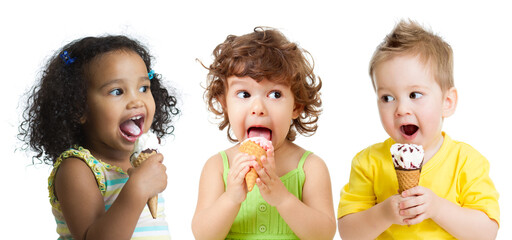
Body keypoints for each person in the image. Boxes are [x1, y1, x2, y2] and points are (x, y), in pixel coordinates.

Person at [337, 20, 500, 239]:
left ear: (447, 102)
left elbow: (486, 233)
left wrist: (437, 208)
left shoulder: (467, 162)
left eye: (414, 95)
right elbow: (349, 233)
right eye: (387, 97)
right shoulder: (368, 162)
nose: (401, 109)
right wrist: (384, 214)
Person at [19, 35, 179, 239]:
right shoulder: (77, 168)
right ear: (79, 108)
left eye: (143, 88)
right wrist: (137, 189)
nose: (136, 100)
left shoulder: (140, 164)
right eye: (117, 91)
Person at [192, 27, 336, 240]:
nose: (258, 107)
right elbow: (203, 235)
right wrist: (231, 198)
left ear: (296, 106)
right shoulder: (217, 166)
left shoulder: (310, 167)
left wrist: (283, 198)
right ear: (224, 103)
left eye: (275, 94)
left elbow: (324, 234)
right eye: (244, 94)